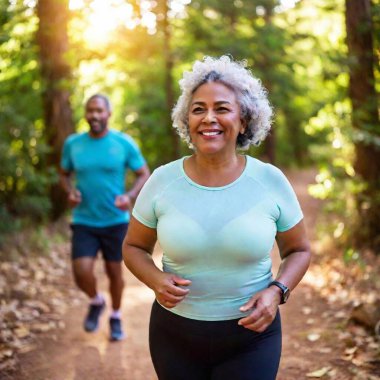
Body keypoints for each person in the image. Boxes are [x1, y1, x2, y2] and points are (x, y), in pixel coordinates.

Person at [122, 56, 311, 379]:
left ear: (244, 120)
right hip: (174, 336)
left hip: (252, 338)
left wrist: (277, 290)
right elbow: (133, 247)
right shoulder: (162, 181)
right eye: (198, 109)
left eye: (222, 108)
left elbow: (299, 250)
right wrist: (155, 279)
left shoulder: (269, 180)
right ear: (187, 120)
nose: (209, 118)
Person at [60, 94, 150, 341]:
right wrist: (70, 192)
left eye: (99, 111)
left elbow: (143, 173)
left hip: (115, 220)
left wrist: (129, 196)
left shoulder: (123, 143)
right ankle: (96, 300)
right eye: (90, 110)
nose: (94, 115)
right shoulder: (73, 144)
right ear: (85, 114)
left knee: (114, 273)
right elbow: (64, 174)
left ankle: (116, 316)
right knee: (81, 270)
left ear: (108, 114)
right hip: (84, 220)